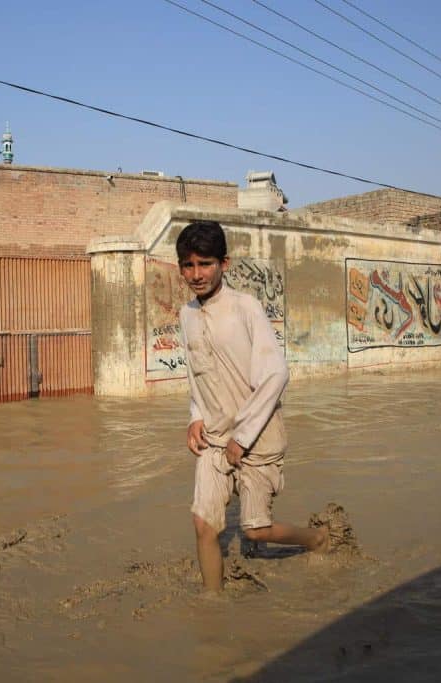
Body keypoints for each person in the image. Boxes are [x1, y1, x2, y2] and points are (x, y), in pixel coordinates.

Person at [176, 220, 342, 593]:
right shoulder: (187, 315)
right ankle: (211, 606)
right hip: (214, 438)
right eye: (188, 265)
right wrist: (195, 417)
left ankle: (317, 540)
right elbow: (195, 375)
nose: (196, 274)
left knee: (255, 528)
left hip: (260, 436)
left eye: (205, 264)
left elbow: (275, 374)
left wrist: (244, 436)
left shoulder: (245, 307)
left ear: (225, 263)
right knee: (204, 523)